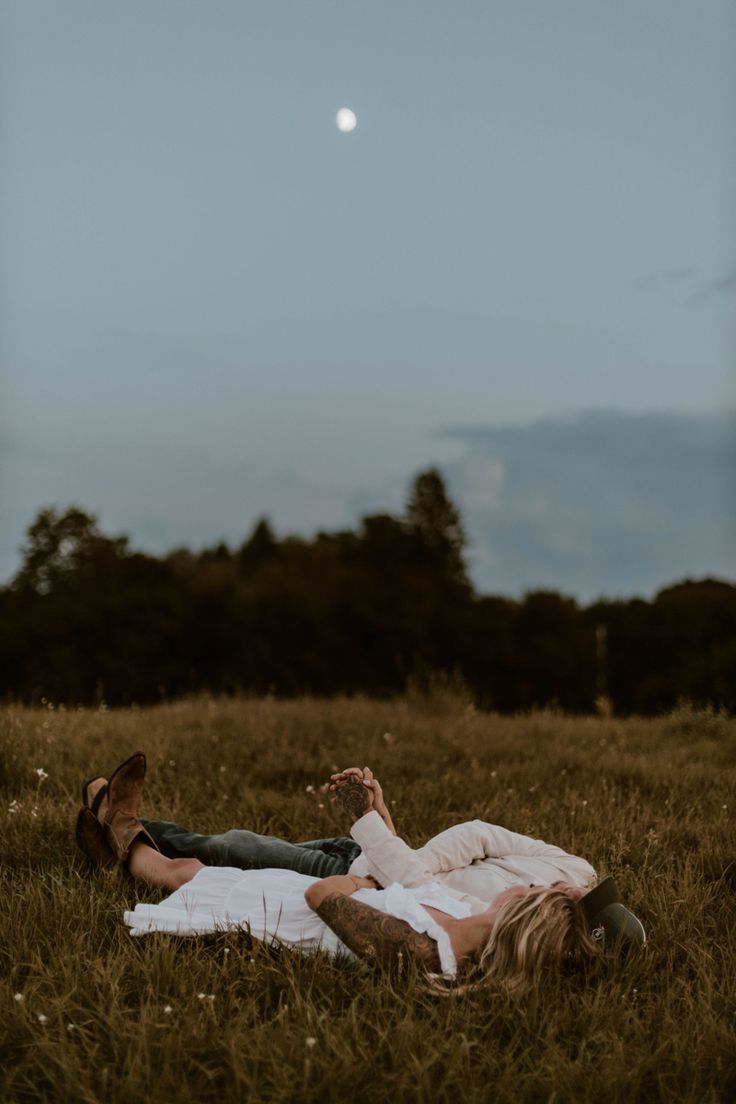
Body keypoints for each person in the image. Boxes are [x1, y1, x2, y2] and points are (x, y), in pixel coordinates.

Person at [75, 753, 646, 996]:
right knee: (213, 855)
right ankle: (118, 827)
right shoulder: (551, 878)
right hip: (374, 864)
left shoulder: (445, 944)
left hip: (333, 888)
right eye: (581, 895)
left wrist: (375, 872)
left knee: (214, 858)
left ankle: (116, 825)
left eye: (577, 905)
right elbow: (442, 865)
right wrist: (378, 830)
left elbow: (368, 894)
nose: (573, 891)